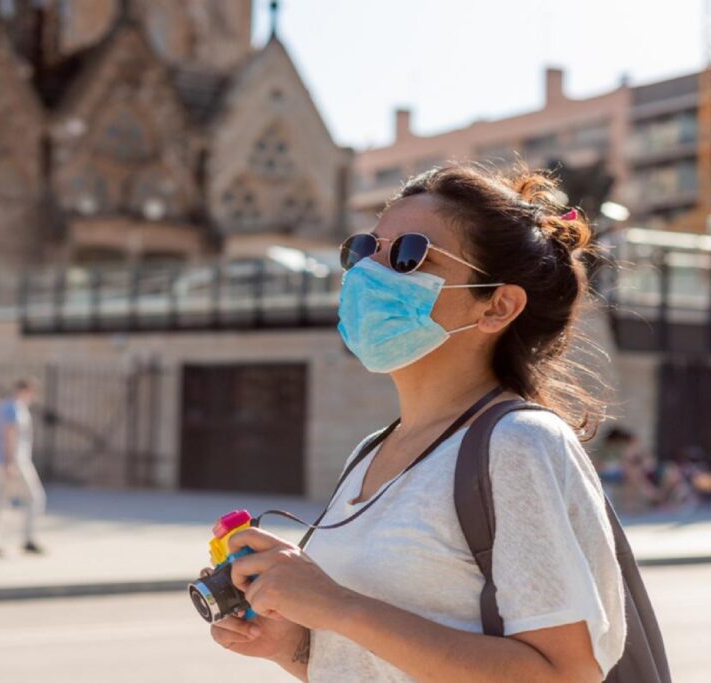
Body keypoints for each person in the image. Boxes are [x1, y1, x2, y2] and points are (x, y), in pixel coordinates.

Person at [206, 164, 626, 682]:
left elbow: (565, 675)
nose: (367, 274)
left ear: (498, 305)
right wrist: (295, 647)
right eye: (363, 250)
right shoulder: (371, 451)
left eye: (407, 256)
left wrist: (337, 605)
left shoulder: (517, 443)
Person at [0, 378, 46, 556]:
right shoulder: (14, 408)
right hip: (14, 461)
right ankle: (29, 538)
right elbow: (10, 433)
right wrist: (9, 462)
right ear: (25, 391)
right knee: (34, 497)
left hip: (0, 460)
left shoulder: (4, 406)